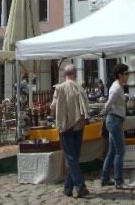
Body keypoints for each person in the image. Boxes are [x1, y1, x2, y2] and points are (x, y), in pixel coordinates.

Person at [51, 64, 90, 199]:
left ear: (64, 75)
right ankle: (68, 188)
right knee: (74, 157)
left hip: (65, 126)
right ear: (75, 74)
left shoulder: (60, 88)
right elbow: (86, 107)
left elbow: (53, 107)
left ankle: (80, 186)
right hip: (79, 125)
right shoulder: (80, 88)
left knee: (71, 157)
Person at [101, 63, 132, 190]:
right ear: (120, 75)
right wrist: (110, 110)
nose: (128, 76)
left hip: (115, 120)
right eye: (126, 74)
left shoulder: (119, 86)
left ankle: (105, 178)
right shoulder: (117, 88)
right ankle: (118, 181)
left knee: (113, 151)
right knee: (120, 151)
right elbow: (108, 105)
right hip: (114, 120)